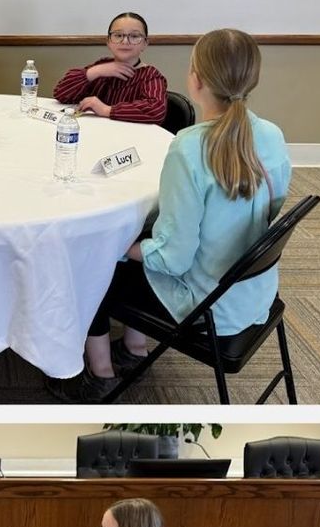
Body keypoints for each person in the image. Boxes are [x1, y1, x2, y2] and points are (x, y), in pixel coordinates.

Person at [48, 27, 292, 402]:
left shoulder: (190, 148)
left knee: (91, 258)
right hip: (252, 293)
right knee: (138, 239)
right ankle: (134, 349)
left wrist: (119, 246)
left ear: (195, 78)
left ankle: (100, 375)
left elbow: (172, 259)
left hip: (207, 304)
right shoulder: (272, 134)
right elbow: (267, 213)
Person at [53, 12, 167, 123]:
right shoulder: (101, 66)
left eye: (134, 36)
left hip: (129, 138)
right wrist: (93, 72)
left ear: (145, 44)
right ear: (108, 42)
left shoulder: (150, 76)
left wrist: (106, 110)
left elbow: (156, 110)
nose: (125, 41)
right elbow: (61, 94)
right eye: (118, 35)